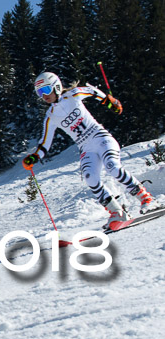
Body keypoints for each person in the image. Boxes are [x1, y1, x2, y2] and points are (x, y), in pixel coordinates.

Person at [23, 72, 161, 230]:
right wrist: (34, 157)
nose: (44, 95)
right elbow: (45, 142)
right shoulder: (50, 116)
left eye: (46, 89)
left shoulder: (72, 95)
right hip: (86, 147)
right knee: (90, 178)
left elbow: (91, 91)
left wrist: (110, 101)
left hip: (101, 138)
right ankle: (117, 212)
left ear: (56, 86)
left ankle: (147, 199)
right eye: (40, 92)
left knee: (112, 167)